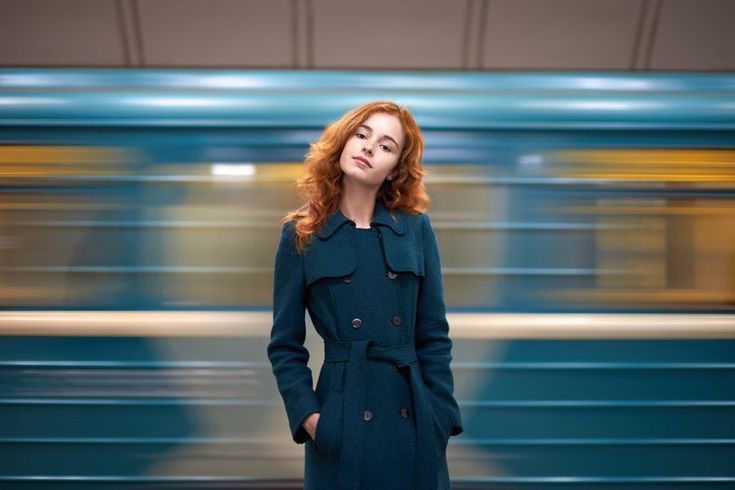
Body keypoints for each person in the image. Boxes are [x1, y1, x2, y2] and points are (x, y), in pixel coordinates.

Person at [267, 101, 463, 490]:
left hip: (414, 421)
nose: (369, 148)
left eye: (386, 146)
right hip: (343, 417)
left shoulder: (415, 230)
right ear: (343, 142)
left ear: (395, 170)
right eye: (362, 135)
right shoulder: (302, 235)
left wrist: (440, 416)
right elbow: (285, 346)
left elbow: (434, 336)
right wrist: (312, 419)